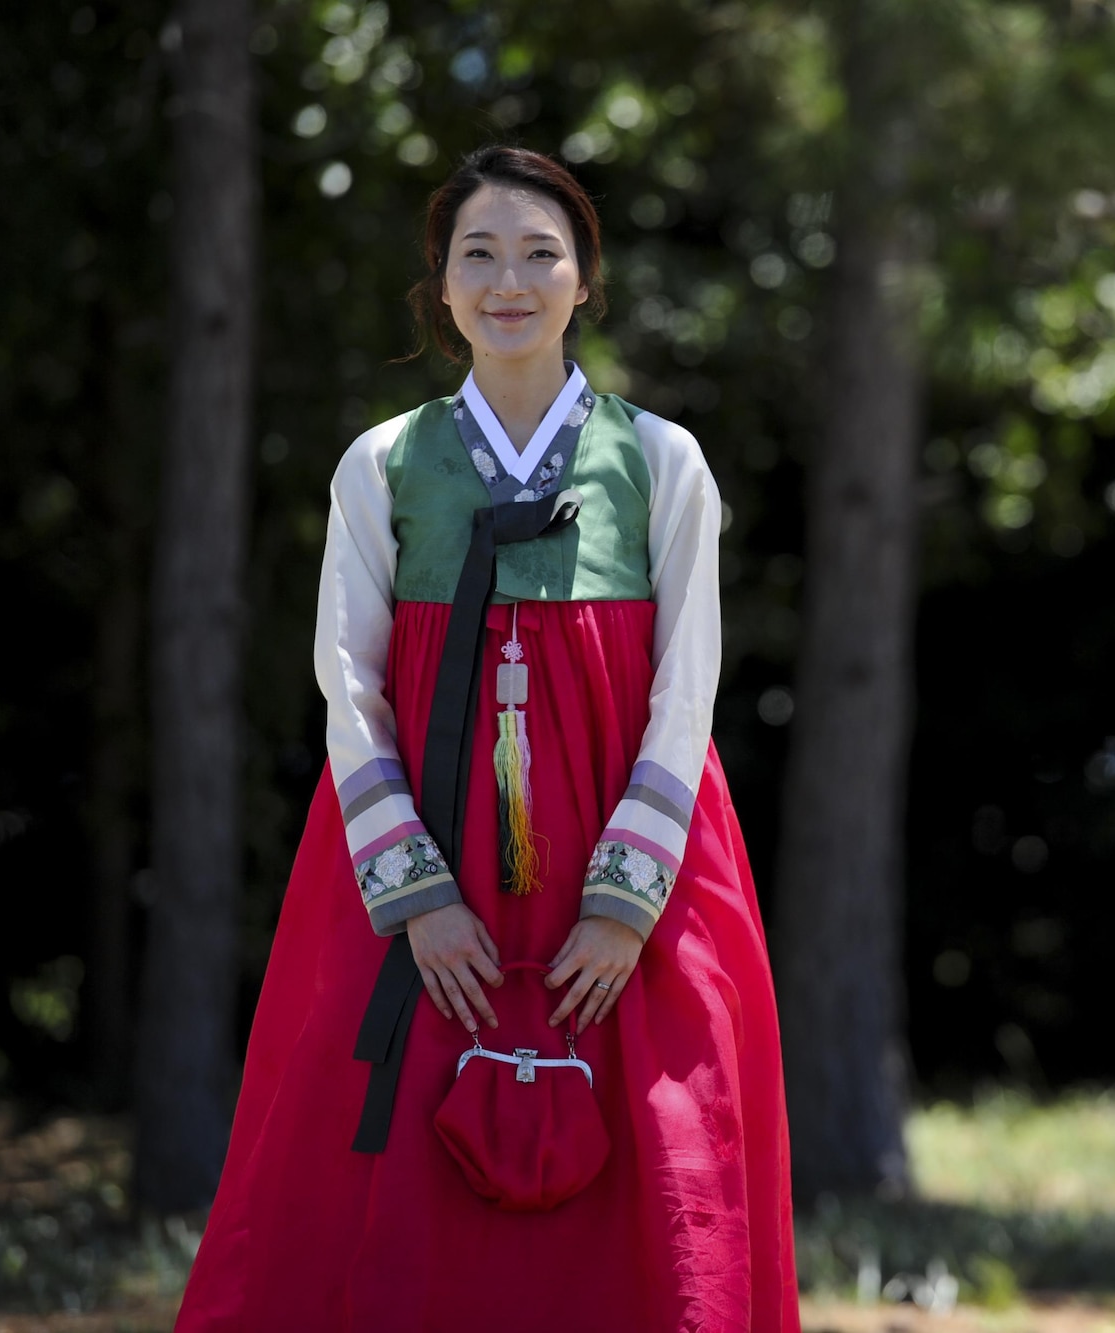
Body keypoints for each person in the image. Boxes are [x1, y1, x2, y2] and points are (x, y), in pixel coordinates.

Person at [175, 145, 799, 1332]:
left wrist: (624, 901)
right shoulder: (383, 465)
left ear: (583, 281)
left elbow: (688, 686)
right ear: (441, 284)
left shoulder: (659, 459)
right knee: (367, 1177)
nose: (508, 278)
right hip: (423, 870)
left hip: (623, 873)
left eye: (539, 253)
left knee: (662, 1173)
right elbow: (348, 685)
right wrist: (414, 895)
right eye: (478, 254)